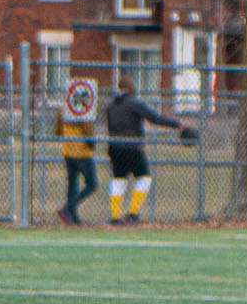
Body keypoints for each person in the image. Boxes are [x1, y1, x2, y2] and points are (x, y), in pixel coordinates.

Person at [103, 76, 191, 224]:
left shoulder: (111, 105)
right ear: (132, 89)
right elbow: (155, 118)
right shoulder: (134, 103)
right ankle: (133, 213)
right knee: (144, 178)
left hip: (114, 146)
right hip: (132, 146)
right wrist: (178, 124)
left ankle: (115, 217)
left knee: (118, 180)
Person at [55, 97, 97, 226]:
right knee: (92, 183)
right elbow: (88, 131)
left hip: (68, 151)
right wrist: (92, 144)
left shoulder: (63, 110)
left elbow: (58, 131)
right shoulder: (84, 110)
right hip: (82, 152)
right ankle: (68, 208)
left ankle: (73, 218)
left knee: (73, 185)